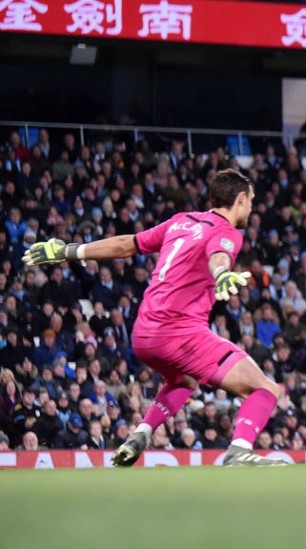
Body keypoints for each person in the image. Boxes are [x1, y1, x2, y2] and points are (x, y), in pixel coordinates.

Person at [24, 169, 286, 466]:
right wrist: (223, 273)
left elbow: (126, 244)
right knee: (266, 388)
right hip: (180, 333)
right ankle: (239, 450)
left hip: (144, 334)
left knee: (185, 380)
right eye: (250, 200)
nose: (251, 207)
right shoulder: (227, 232)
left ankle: (141, 434)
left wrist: (69, 250)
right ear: (240, 199)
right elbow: (219, 256)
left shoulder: (181, 221)